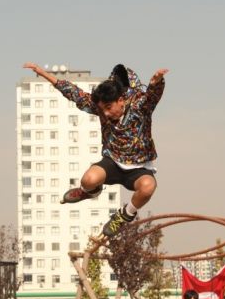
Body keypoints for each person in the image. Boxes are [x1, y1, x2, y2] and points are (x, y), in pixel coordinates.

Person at [22, 62, 168, 237]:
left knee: (148, 187)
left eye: (109, 108)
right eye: (102, 109)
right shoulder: (100, 108)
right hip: (113, 161)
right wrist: (44, 74)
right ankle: (90, 191)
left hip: (139, 167)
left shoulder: (140, 106)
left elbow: (152, 96)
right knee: (88, 180)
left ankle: (124, 216)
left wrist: (156, 83)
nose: (105, 114)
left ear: (121, 100)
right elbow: (74, 93)